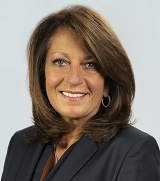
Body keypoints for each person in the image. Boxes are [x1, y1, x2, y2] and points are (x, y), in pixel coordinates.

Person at [1, 5, 160, 181]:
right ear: (42, 74)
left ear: (108, 82)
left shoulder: (133, 150)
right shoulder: (21, 143)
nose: (74, 79)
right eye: (60, 62)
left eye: (90, 64)